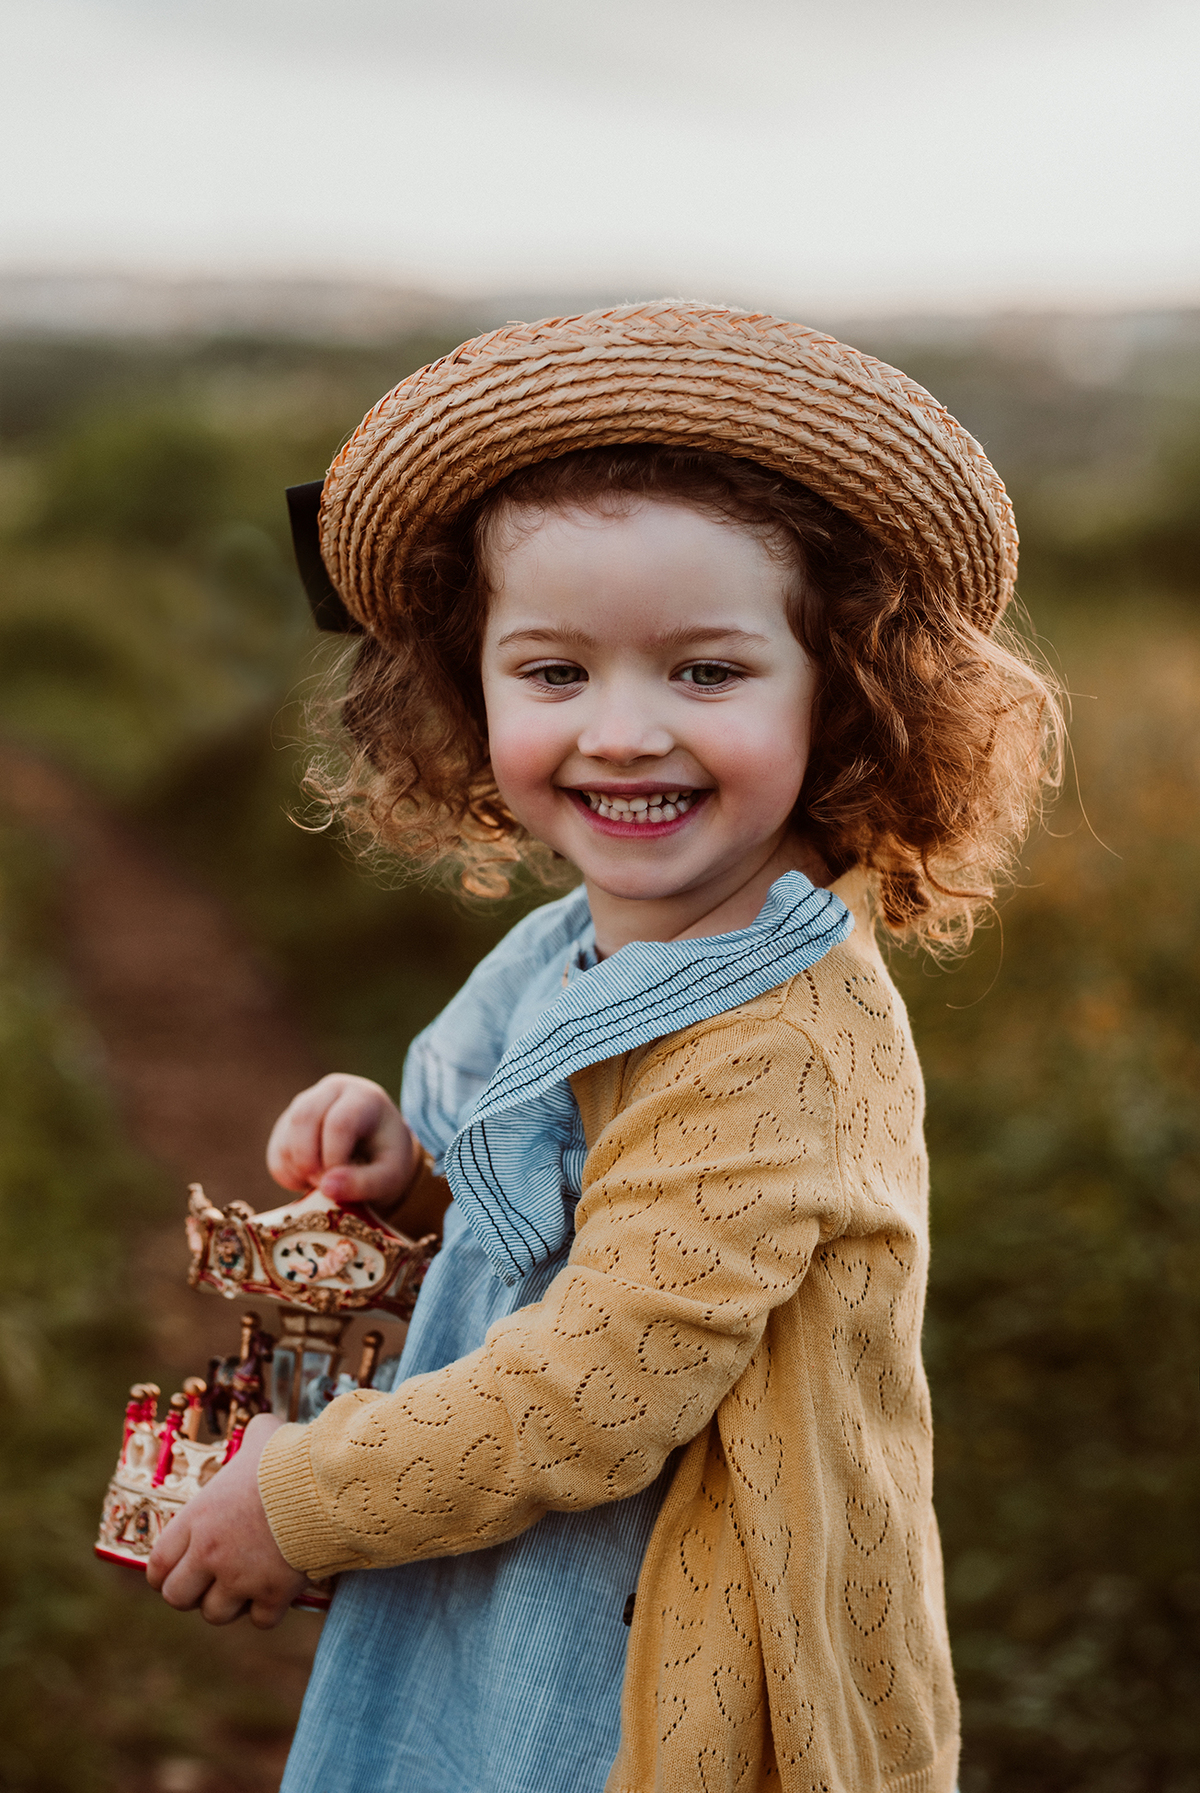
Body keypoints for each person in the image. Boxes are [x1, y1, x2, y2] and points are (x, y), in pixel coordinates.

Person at [147, 303, 1061, 1793]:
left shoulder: (777, 1041)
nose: (623, 731)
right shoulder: (578, 934)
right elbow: (547, 1183)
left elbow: (596, 1389)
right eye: (556, 673)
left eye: (705, 673)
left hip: (674, 1637)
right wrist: (412, 1162)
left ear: (838, 690)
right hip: (513, 1564)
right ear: (472, 684)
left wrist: (299, 1496)